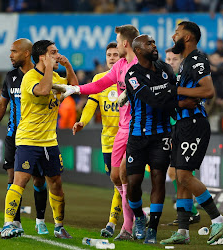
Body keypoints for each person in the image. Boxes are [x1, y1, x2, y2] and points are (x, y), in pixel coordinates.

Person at [54, 25, 140, 241]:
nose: (113, 54)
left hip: (139, 128)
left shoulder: (141, 65)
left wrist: (130, 94)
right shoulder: (119, 67)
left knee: (128, 176)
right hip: (118, 131)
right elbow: (98, 86)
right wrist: (75, 90)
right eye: (109, 54)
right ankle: (141, 215)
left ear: (125, 44)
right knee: (115, 176)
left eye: (118, 44)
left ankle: (127, 224)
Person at [160, 21, 223, 245]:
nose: (173, 36)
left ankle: (218, 219)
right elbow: (185, 98)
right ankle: (183, 231)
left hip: (194, 124)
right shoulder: (185, 63)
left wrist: (176, 91)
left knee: (183, 176)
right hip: (181, 125)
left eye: (177, 33)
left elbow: (208, 90)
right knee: (180, 178)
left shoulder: (198, 59)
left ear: (188, 37)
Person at [0, 39, 78, 239]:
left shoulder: (57, 76)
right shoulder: (30, 77)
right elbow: (43, 90)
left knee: (56, 183)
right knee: (21, 180)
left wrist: (67, 66)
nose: (57, 55)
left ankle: (59, 226)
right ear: (42, 56)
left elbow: (74, 88)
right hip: (28, 139)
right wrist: (51, 68)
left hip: (50, 141)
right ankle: (8, 224)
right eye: (53, 52)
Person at [124, 34, 198, 244]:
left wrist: (176, 102)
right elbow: (152, 99)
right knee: (134, 183)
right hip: (138, 136)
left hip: (162, 135)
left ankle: (153, 229)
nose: (154, 46)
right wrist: (175, 98)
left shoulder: (166, 69)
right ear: (138, 50)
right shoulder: (133, 75)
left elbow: (172, 96)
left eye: (154, 42)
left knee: (158, 178)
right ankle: (139, 217)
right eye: (149, 44)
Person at [0, 38, 49, 235]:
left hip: (36, 136)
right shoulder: (10, 76)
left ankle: (40, 220)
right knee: (13, 178)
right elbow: (2, 104)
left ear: (26, 53)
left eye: (14, 51)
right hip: (14, 135)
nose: (10, 55)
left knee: (39, 180)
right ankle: (14, 223)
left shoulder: (40, 75)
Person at [72, 42, 122, 237]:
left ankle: (112, 223)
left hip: (127, 139)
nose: (111, 58)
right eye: (109, 54)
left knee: (122, 180)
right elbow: (91, 105)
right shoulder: (100, 79)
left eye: (115, 54)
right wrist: (82, 122)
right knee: (117, 181)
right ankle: (135, 215)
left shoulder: (127, 78)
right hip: (108, 141)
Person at [165, 48, 201, 226]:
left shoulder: (187, 79)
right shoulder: (169, 79)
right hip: (176, 129)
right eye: (168, 59)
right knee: (176, 173)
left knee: (182, 173)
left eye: (174, 59)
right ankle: (188, 213)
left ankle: (193, 212)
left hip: (189, 128)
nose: (171, 62)